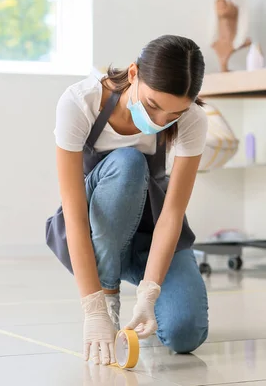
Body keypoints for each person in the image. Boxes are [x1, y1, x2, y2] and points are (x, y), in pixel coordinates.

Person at [45, 35, 209, 366]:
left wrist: (150, 293)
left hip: (150, 235)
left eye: (174, 113)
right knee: (129, 163)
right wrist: (94, 308)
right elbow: (75, 215)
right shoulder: (80, 102)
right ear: (133, 73)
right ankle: (108, 298)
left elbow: (172, 213)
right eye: (153, 106)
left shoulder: (193, 120)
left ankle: (142, 296)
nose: (162, 121)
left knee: (185, 332)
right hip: (94, 232)